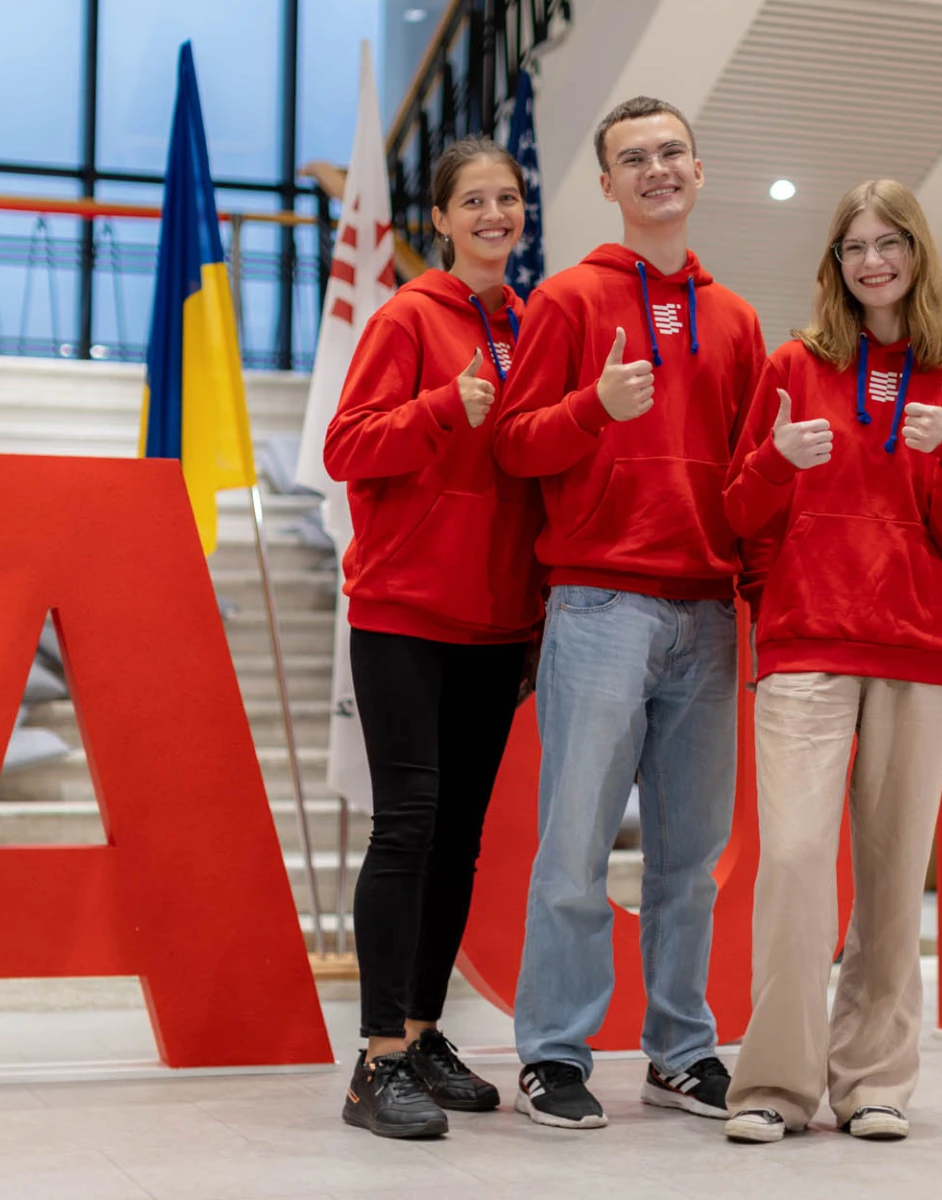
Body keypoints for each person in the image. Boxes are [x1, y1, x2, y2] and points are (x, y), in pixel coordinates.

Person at [492, 96, 765, 1129]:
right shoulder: (563, 301)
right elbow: (516, 445)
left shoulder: (736, 319)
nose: (656, 170)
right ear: (605, 185)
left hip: (705, 610)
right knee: (574, 847)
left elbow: (746, 478)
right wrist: (594, 407)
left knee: (691, 857)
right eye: (632, 158)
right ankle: (554, 1050)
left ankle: (681, 1048)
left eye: (671, 153)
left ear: (699, 169)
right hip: (598, 601)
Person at [720, 179, 942, 1144]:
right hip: (808, 642)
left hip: (920, 653)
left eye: (890, 243)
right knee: (796, 863)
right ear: (833, 264)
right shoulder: (792, 366)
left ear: (918, 254)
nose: (872, 260)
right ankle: (774, 1086)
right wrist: (775, 468)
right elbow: (738, 513)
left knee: (891, 880)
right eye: (854, 246)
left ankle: (875, 1081)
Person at [322, 136, 544, 1139]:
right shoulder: (410, 317)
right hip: (405, 609)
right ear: (443, 219)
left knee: (457, 842)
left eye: (509, 199)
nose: (495, 215)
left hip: (500, 619)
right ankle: (372, 1063)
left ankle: (419, 1031)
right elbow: (346, 445)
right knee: (409, 823)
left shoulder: (534, 326)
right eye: (475, 201)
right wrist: (439, 408)